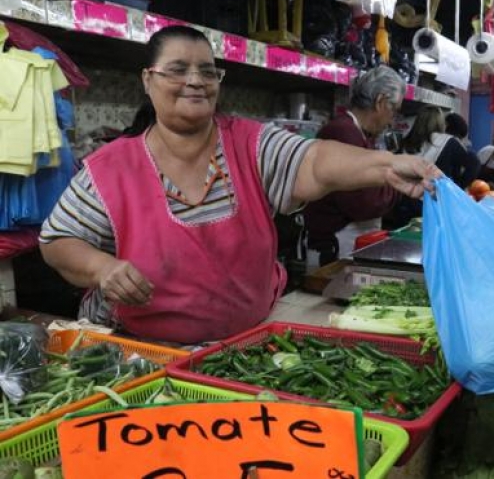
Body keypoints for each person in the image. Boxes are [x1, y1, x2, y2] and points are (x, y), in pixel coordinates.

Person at [38, 26, 438, 344]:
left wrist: (386, 164)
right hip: (138, 351)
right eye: (178, 70)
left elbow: (315, 161)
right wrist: (102, 268)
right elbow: (57, 242)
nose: (195, 81)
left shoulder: (252, 145)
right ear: (148, 79)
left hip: (241, 347)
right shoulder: (110, 168)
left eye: (207, 71)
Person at [303, 66, 405, 268]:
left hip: (347, 245)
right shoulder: (343, 133)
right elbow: (366, 202)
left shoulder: (357, 134)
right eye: (394, 110)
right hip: (334, 249)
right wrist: (399, 183)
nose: (391, 121)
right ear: (380, 102)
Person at [401, 106, 479, 188]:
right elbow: (474, 162)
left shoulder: (404, 142)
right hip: (436, 195)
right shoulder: (447, 141)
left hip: (407, 194)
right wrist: (459, 187)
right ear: (440, 123)